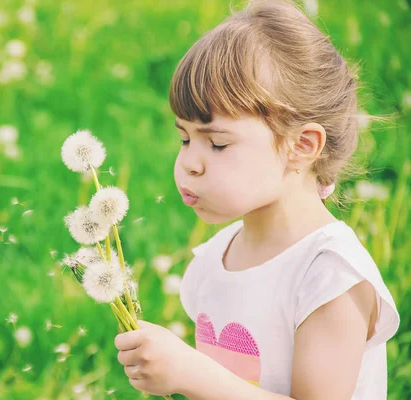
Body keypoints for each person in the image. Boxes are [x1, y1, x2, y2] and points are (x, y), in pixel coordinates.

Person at [113, 0, 401, 399]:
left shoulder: (329, 277)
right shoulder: (215, 261)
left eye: (216, 143)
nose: (189, 163)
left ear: (301, 146)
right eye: (184, 138)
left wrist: (192, 375)